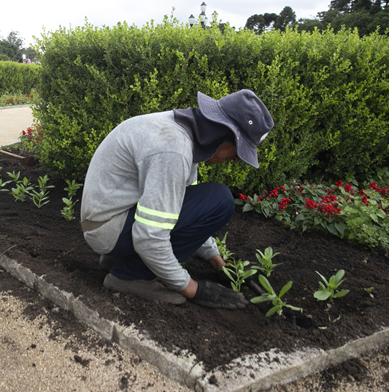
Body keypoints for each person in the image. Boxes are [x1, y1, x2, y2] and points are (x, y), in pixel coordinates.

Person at [80, 89, 274, 307]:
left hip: (109, 218)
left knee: (211, 201)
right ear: (224, 134)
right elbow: (150, 236)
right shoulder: (174, 150)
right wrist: (193, 289)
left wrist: (218, 263)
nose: (235, 160)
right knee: (221, 201)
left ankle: (120, 258)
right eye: (238, 152)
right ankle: (129, 275)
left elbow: (182, 210)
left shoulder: (184, 130)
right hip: (107, 229)